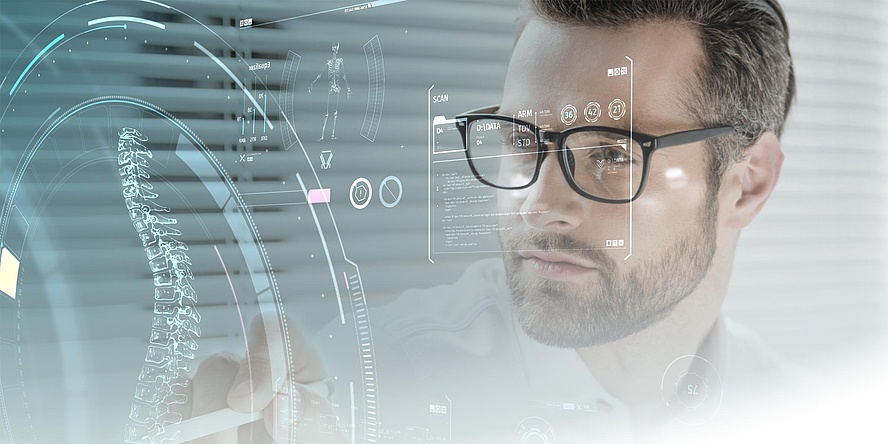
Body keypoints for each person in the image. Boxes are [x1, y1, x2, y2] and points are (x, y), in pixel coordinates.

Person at [190, 0, 796, 442]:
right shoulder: (373, 394)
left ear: (748, 183)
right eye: (520, 141)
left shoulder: (796, 406)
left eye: (612, 153)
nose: (536, 203)